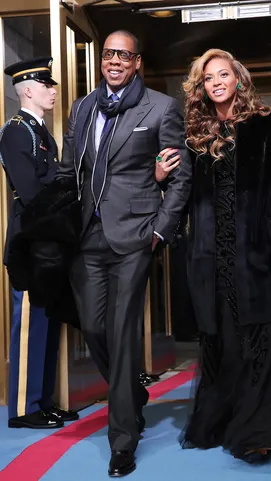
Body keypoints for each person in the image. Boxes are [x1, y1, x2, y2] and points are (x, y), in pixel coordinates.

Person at [157, 49, 271, 462]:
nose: (217, 81)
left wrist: (270, 231)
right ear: (201, 87)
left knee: (263, 341)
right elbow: (183, 195)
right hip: (211, 256)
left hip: (257, 253)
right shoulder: (196, 132)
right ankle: (232, 419)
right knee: (225, 341)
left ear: (238, 79)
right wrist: (160, 179)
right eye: (209, 77)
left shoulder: (265, 123)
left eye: (224, 74)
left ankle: (265, 431)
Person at [56, 30, 192, 476]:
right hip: (88, 237)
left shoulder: (160, 107)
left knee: (120, 331)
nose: (115, 61)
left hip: (135, 236)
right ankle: (131, 391)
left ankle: (123, 440)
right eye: (109, 53)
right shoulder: (82, 107)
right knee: (93, 327)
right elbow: (69, 169)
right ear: (102, 60)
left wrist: (160, 231)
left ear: (137, 62)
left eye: (124, 55)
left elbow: (180, 179)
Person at [0, 57, 79, 428]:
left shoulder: (40, 131)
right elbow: (31, 191)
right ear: (27, 90)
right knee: (30, 324)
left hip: (48, 240)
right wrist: (64, 188)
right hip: (30, 244)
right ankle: (24, 409)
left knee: (48, 322)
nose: (53, 90)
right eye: (47, 85)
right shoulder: (17, 131)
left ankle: (43, 401)